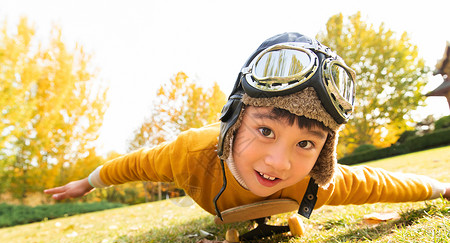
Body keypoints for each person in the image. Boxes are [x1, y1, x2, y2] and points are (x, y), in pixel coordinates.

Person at [45, 32, 449, 222]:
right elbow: (136, 164)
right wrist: (88, 183)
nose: (280, 163)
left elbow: (376, 183)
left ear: (325, 153)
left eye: (306, 143)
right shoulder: (190, 153)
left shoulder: (315, 182)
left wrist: (441, 189)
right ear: (235, 123)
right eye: (267, 131)